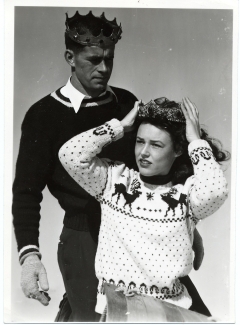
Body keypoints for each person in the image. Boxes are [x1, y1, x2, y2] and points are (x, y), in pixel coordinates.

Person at [12, 10, 209, 322]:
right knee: (99, 318)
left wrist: (185, 227)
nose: (103, 69)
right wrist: (29, 256)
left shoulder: (126, 101)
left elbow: (158, 168)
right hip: (83, 237)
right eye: (93, 59)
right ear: (70, 57)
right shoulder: (43, 115)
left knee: (183, 316)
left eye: (109, 59)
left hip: (143, 232)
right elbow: (25, 193)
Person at [59, 96, 229, 318]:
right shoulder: (113, 180)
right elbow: (70, 154)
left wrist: (195, 139)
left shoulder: (186, 195)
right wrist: (120, 126)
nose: (143, 152)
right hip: (119, 311)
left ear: (178, 150)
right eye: (140, 141)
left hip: (171, 312)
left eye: (156, 144)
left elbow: (215, 191)